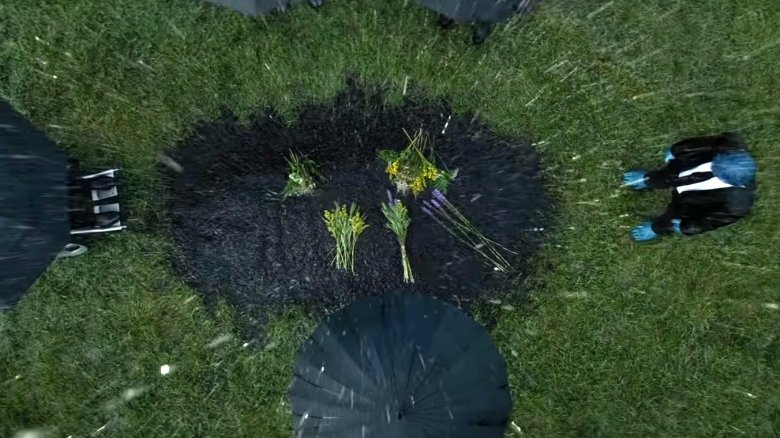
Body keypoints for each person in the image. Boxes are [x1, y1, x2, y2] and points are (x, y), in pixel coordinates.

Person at [622, 132, 756, 242]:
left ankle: (656, 228)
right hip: (685, 169)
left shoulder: (738, 205)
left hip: (691, 203)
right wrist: (677, 150)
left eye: (719, 171)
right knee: (664, 176)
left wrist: (688, 227)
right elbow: (701, 144)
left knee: (671, 220)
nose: (714, 166)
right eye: (718, 162)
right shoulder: (730, 144)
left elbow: (711, 220)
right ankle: (649, 180)